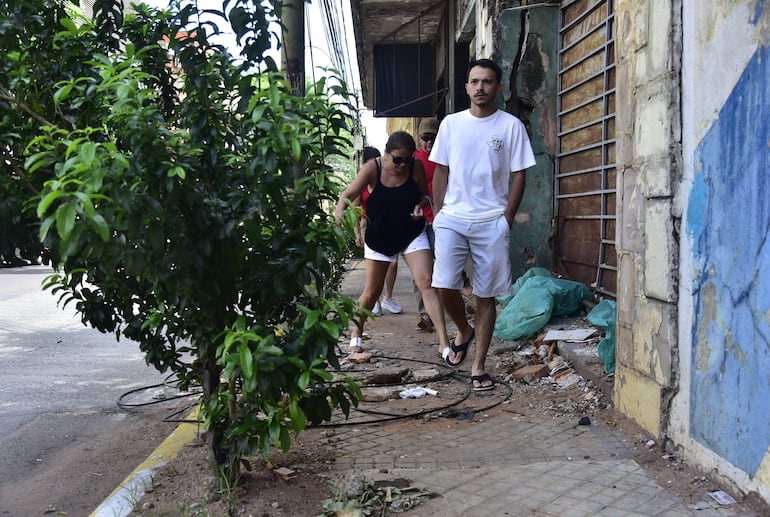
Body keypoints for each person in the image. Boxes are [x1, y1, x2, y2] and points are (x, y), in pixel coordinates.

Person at [430, 58, 536, 391]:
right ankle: (464, 330)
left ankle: (478, 366)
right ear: (466, 87)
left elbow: (520, 175)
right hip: (453, 218)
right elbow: (441, 171)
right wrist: (439, 213)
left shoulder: (510, 126)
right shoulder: (451, 124)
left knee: (486, 296)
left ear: (498, 87)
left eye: (487, 82)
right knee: (443, 284)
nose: (480, 87)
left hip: (492, 221)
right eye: (474, 81)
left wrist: (506, 219)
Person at [335, 131, 452, 357]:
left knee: (427, 282)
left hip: (410, 232)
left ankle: (444, 342)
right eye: (398, 159)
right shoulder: (373, 168)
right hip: (380, 236)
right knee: (372, 291)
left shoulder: (415, 167)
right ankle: (356, 333)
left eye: (407, 159)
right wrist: (340, 212)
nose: (402, 164)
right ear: (387, 154)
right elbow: (348, 194)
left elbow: (425, 195)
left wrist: (421, 205)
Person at [353, 146, 402, 316]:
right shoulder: (362, 181)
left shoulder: (386, 177)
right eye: (369, 164)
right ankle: (373, 300)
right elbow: (354, 210)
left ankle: (387, 298)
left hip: (389, 223)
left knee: (393, 264)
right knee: (374, 268)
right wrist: (357, 233)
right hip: (370, 224)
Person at [412, 117, 438, 331]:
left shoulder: (446, 157)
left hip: (441, 220)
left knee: (444, 265)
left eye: (433, 138)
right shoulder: (413, 160)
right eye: (425, 138)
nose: (429, 142)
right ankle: (425, 315)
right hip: (421, 222)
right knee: (422, 271)